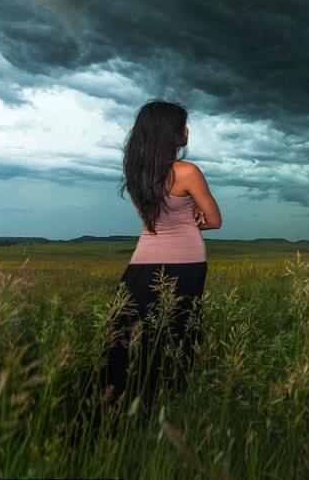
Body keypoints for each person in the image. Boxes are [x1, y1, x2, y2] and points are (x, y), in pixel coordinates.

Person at [102, 99, 222, 417]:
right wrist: (195, 213)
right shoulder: (187, 171)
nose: (188, 130)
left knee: (125, 338)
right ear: (173, 133)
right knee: (177, 336)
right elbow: (214, 220)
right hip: (187, 263)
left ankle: (118, 407)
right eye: (183, 124)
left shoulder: (135, 173)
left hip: (141, 263)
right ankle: (165, 407)